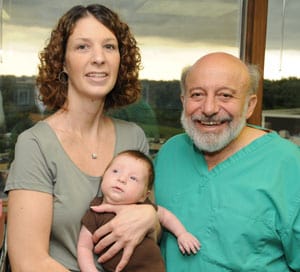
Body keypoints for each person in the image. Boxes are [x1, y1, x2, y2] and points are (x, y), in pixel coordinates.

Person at [5, 4, 159, 272]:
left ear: (121, 60)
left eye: (109, 47)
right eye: (82, 47)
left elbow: (149, 236)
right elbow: (28, 262)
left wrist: (150, 216)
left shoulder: (133, 137)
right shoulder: (36, 144)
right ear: (63, 63)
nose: (99, 58)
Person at [154, 52, 300, 271]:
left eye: (225, 96)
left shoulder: (287, 164)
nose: (209, 108)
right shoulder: (170, 153)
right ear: (183, 101)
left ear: (250, 106)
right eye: (197, 94)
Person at [77, 150, 200, 272]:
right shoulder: (95, 211)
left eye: (133, 178)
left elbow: (165, 216)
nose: (121, 179)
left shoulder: (142, 207)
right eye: (115, 171)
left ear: (144, 195)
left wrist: (182, 234)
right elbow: (84, 247)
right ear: (103, 176)